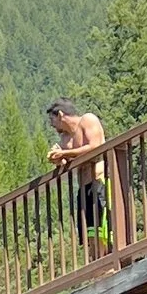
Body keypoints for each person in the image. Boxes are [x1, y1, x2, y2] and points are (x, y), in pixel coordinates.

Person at [47, 101, 108, 240]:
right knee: (89, 233)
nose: (52, 125)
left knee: (102, 229)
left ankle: (108, 258)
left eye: (52, 120)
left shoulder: (88, 120)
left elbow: (95, 146)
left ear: (61, 115)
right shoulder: (65, 139)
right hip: (83, 187)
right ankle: (95, 259)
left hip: (99, 181)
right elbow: (65, 163)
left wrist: (65, 154)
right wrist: (58, 159)